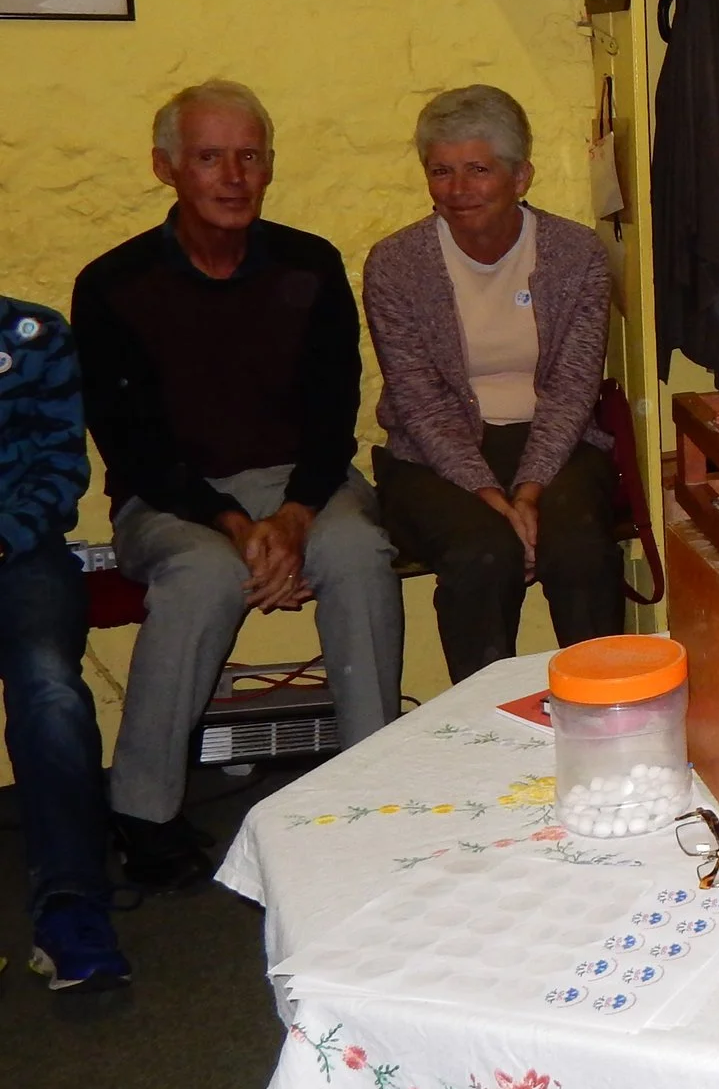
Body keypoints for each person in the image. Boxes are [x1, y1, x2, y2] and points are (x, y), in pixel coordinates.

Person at [72, 81, 404, 891]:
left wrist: (293, 514)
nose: (232, 175)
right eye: (209, 156)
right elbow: (131, 444)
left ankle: (377, 784)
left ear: (268, 167)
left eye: (249, 156)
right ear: (166, 168)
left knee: (358, 549)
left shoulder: (310, 263)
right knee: (205, 572)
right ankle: (143, 811)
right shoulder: (114, 284)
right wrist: (227, 518)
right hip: (173, 499)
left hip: (305, 483)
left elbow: (335, 413)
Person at [364, 87, 624, 682]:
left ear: (521, 176)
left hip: (554, 443)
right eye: (441, 172)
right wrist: (491, 499)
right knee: (483, 554)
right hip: (434, 454)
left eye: (478, 170)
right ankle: (486, 731)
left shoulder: (574, 253)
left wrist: (528, 493)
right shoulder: (396, 264)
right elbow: (419, 400)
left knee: (581, 548)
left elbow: (572, 386)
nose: (458, 190)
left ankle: (611, 712)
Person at [0, 294, 129, 989]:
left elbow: (59, 467)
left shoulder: (31, 333)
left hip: (18, 550)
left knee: (49, 686)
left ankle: (71, 903)